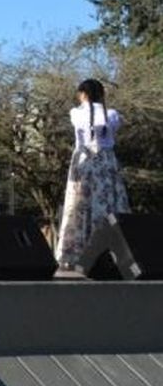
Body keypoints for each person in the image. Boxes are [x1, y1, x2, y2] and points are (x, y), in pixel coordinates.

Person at [55, 79, 129, 269]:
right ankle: (112, 251)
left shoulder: (76, 113)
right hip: (106, 162)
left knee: (80, 205)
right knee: (107, 202)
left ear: (83, 94)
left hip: (84, 160)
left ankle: (77, 251)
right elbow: (114, 126)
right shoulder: (111, 114)